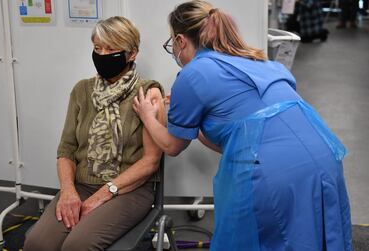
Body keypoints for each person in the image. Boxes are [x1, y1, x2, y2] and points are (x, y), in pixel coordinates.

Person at [133, 1, 352, 250]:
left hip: (273, 175)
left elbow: (172, 145)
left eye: (171, 43)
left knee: (253, 241)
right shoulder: (259, 61)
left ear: (181, 41)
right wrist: (192, 115)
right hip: (324, 158)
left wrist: (147, 115)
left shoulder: (193, 74)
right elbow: (240, 138)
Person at [24, 16, 165, 251]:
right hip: (81, 185)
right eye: (97, 48)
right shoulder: (82, 90)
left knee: (77, 246)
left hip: (129, 190)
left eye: (111, 49)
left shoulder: (148, 92)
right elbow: (66, 149)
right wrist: (68, 191)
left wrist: (103, 194)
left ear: (132, 54)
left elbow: (150, 162)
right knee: (37, 243)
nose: (102, 55)